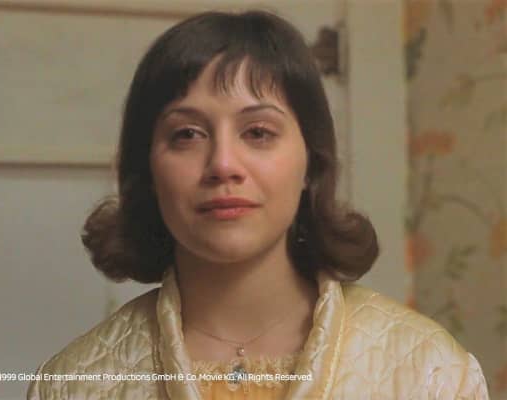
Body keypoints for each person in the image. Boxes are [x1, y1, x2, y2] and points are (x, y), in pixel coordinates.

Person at [27, 9, 489, 400]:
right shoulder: (71, 384)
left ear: (311, 163)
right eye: (187, 134)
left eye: (258, 133)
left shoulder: (430, 372)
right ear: (146, 169)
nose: (223, 164)